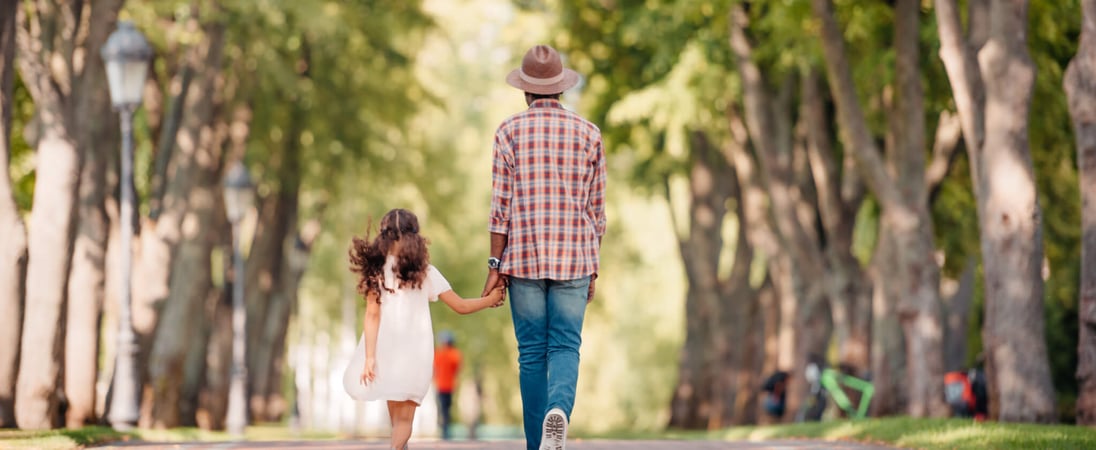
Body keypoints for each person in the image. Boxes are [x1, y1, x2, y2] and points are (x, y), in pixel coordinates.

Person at [482, 44, 606, 450]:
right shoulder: (589, 133)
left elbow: (500, 208)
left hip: (524, 259)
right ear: (561, 90)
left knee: (532, 354)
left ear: (526, 92)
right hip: (575, 258)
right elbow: (597, 210)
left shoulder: (508, 131)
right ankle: (559, 411)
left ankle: (539, 444)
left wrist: (494, 265)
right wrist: (594, 265)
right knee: (566, 346)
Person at [343, 208, 504, 450]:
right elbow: (460, 306)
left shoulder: (377, 272)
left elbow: (372, 316)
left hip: (386, 352)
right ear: (414, 237)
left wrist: (369, 357)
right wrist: (490, 300)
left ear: (383, 237)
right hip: (414, 354)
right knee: (405, 422)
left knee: (397, 421)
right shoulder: (426, 272)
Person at [433, 331, 462, 440]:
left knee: (441, 408)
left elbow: (434, 367)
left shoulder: (439, 353)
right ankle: (445, 430)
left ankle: (443, 429)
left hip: (441, 385)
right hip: (449, 386)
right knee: (446, 409)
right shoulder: (455, 354)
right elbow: (457, 368)